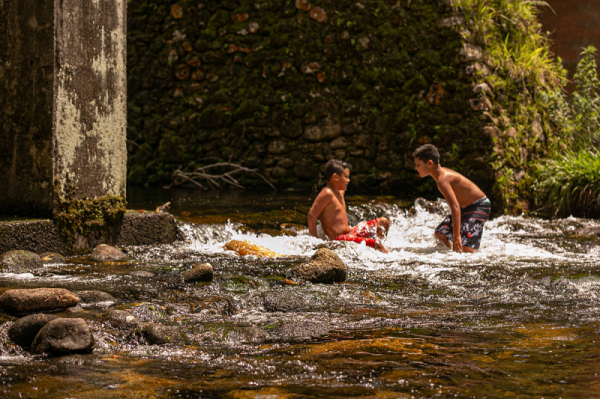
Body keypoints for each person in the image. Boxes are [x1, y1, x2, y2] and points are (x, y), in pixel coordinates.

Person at [413, 144, 491, 253]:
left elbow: (455, 207)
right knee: (440, 234)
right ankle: (453, 255)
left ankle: (469, 257)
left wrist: (456, 236)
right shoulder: (440, 176)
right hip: (466, 207)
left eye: (418, 164)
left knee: (463, 246)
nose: (416, 168)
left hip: (479, 205)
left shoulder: (442, 180)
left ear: (430, 163)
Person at [307, 159, 390, 253]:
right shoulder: (327, 193)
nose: (348, 180)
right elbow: (311, 215)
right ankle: (379, 250)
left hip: (350, 232)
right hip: (340, 239)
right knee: (377, 245)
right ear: (335, 177)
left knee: (384, 222)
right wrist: (314, 242)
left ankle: (375, 250)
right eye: (346, 177)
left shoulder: (340, 191)